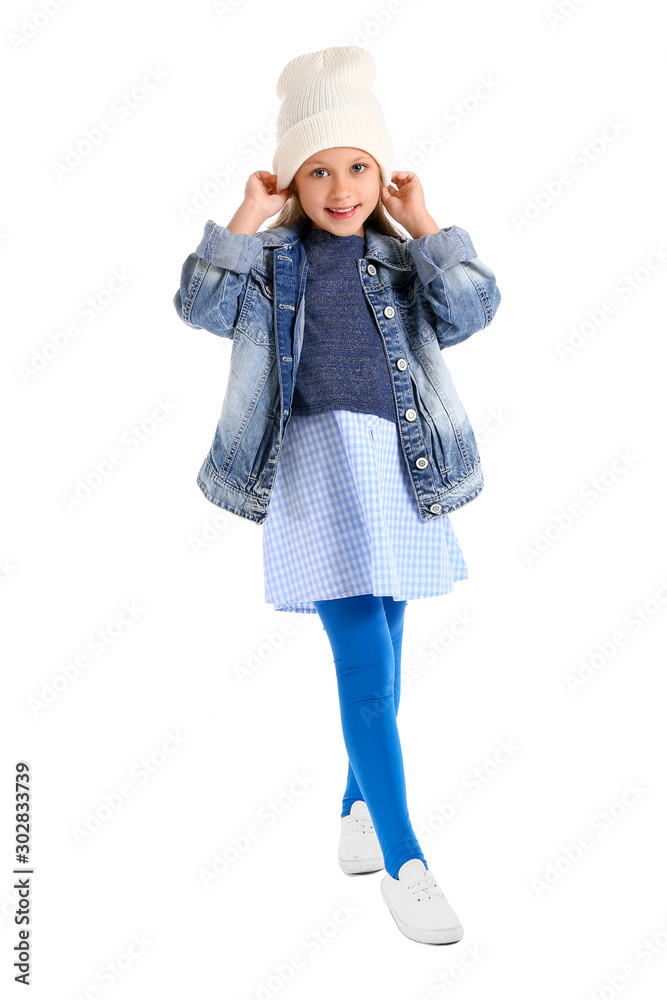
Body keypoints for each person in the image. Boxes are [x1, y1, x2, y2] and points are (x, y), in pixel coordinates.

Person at [173, 45, 501, 945]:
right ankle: (404, 858)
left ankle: (358, 815)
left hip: (400, 471)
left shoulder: (399, 264)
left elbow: (472, 311)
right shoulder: (272, 262)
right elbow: (201, 306)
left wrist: (425, 222)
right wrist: (244, 216)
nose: (342, 186)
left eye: (358, 166)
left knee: (386, 666)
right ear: (290, 181)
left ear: (381, 172)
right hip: (317, 477)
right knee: (363, 670)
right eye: (317, 171)